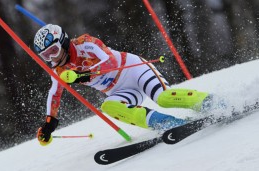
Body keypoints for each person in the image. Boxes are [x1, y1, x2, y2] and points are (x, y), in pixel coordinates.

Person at [34, 24, 216, 146]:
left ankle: (210, 102)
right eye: (46, 56)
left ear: (64, 42)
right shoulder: (58, 71)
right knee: (109, 106)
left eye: (54, 51)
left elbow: (110, 61)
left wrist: (81, 76)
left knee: (164, 98)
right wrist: (49, 123)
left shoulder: (85, 44)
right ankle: (168, 123)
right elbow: (54, 94)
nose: (53, 58)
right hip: (118, 90)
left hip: (134, 71)